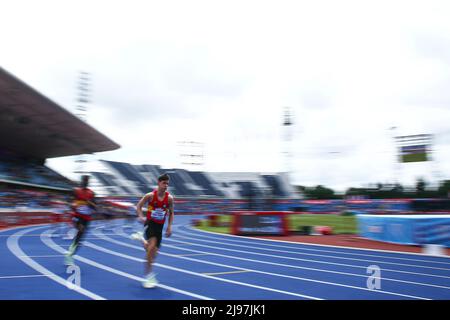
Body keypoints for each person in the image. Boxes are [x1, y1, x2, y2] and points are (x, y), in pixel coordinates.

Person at [133, 173, 174, 288]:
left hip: (159, 228)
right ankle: (148, 277)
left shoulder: (169, 199)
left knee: (153, 253)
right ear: (158, 183)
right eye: (164, 183)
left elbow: (171, 213)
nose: (166, 185)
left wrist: (169, 227)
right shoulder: (150, 196)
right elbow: (138, 206)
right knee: (151, 249)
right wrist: (141, 216)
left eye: (167, 184)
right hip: (150, 224)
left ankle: (140, 238)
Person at [64, 175, 96, 265]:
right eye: (84, 180)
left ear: (88, 182)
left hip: (87, 218)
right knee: (80, 229)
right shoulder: (76, 191)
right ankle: (69, 254)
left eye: (87, 181)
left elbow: (95, 207)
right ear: (81, 181)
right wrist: (72, 205)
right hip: (77, 216)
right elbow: (69, 202)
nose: (85, 182)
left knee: (79, 239)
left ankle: (70, 255)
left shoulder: (92, 193)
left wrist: (90, 203)